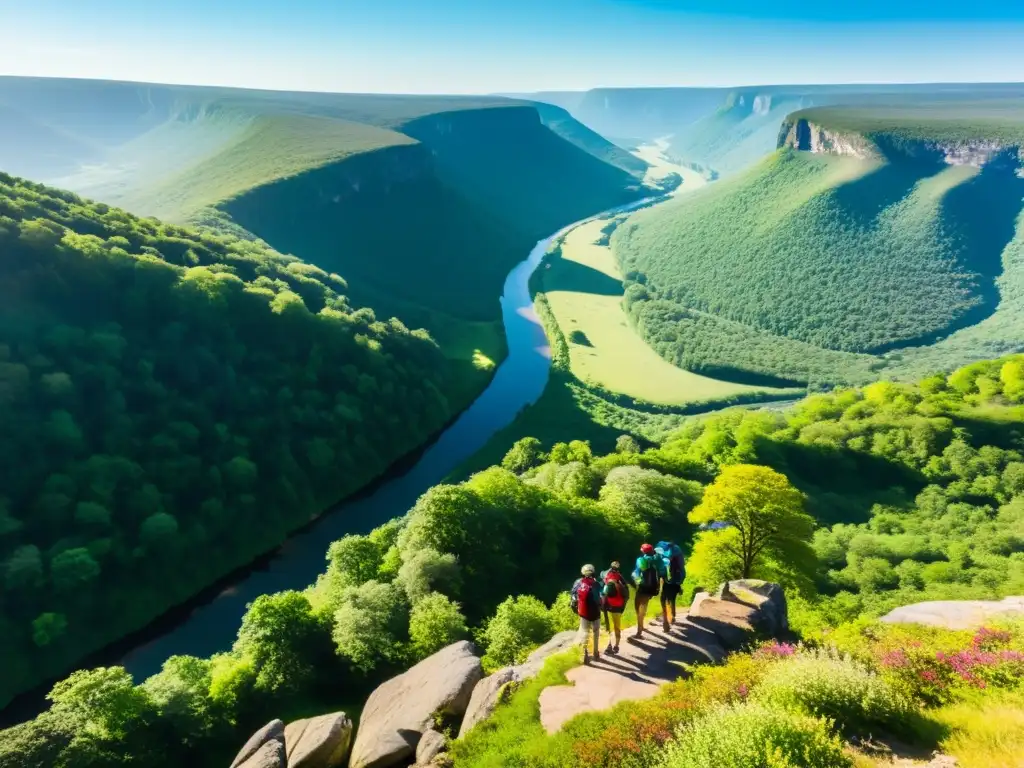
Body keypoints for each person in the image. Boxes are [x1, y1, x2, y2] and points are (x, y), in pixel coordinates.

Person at [630, 543, 666, 639]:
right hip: (654, 588)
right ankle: (642, 627)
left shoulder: (641, 560)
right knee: (645, 605)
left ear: (643, 551)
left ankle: (639, 632)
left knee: (638, 609)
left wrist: (635, 578)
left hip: (643, 587)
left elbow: (637, 573)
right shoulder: (657, 559)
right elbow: (663, 571)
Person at [570, 563, 602, 664]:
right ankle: (596, 652)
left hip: (584, 613)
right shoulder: (597, 583)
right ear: (593, 572)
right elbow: (602, 597)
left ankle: (585, 655)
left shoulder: (578, 583)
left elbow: (573, 597)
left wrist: (577, 610)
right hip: (596, 613)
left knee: (585, 633)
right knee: (596, 632)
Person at [600, 560, 629, 654]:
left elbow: (602, 588)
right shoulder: (619, 577)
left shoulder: (606, 576)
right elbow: (626, 591)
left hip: (607, 606)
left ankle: (608, 645)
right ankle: (616, 646)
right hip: (618, 607)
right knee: (617, 626)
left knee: (608, 626)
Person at [657, 540, 686, 626]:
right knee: (671, 597)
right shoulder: (663, 548)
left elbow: (681, 567)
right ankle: (672, 615)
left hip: (671, 575)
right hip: (671, 574)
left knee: (665, 597)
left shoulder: (674, 551)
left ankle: (668, 616)